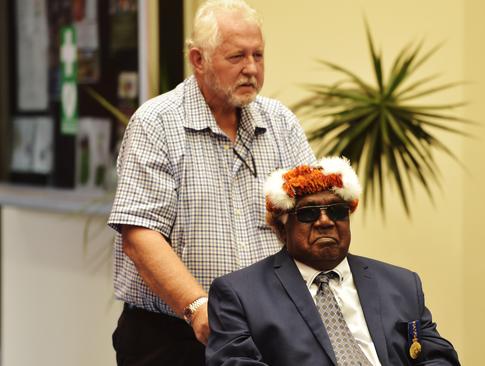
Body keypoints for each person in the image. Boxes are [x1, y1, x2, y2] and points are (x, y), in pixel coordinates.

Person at [107, 0, 315, 364]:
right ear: (198, 59)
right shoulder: (156, 123)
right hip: (172, 337)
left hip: (269, 332)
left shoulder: (281, 124)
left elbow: (309, 216)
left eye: (258, 55)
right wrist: (198, 308)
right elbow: (140, 237)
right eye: (237, 57)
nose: (251, 68)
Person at [206, 157, 460, 365]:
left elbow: (439, 358)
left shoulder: (401, 283)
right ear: (282, 229)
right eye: (308, 213)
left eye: (337, 211)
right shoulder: (240, 293)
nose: (325, 221)